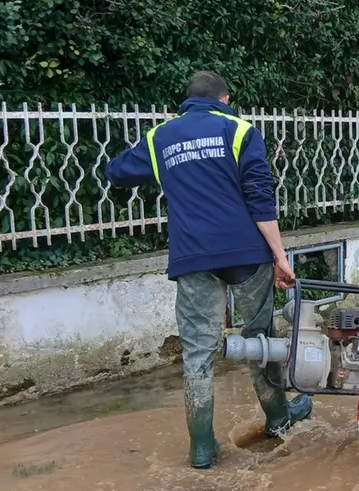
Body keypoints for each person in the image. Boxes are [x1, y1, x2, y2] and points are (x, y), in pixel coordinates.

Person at [106, 71, 312, 469]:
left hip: (193, 257)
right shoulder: (241, 131)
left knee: (198, 353)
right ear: (225, 99)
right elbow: (259, 197)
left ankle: (201, 447)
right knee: (261, 337)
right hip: (246, 253)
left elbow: (116, 172)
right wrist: (280, 256)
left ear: (187, 101)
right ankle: (279, 418)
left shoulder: (160, 137)